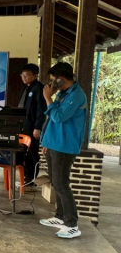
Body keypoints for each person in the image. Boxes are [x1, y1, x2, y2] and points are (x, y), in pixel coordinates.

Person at [39, 62, 87, 239]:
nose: (51, 84)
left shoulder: (76, 95)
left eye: (53, 80)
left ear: (60, 79)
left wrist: (47, 98)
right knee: (55, 181)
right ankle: (60, 216)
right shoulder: (63, 93)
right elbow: (51, 120)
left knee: (61, 183)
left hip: (65, 145)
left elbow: (59, 117)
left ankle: (72, 224)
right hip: (54, 143)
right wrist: (47, 141)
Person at [18, 64, 47, 186]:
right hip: (23, 126)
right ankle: (25, 177)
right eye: (22, 75)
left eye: (27, 75)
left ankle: (31, 180)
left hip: (33, 127)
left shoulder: (39, 88)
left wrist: (37, 127)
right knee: (24, 153)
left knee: (32, 153)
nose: (24, 77)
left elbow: (41, 109)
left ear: (35, 75)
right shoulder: (25, 88)